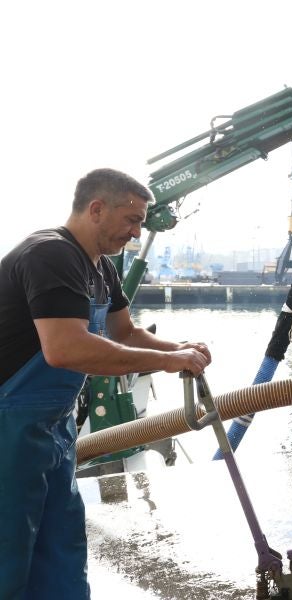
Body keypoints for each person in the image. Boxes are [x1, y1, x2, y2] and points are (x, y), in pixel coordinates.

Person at [0, 168, 212, 600]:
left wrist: (181, 349)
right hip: (9, 426)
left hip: (51, 428)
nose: (136, 232)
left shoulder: (101, 267)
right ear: (96, 209)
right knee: (8, 550)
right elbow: (65, 349)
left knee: (61, 546)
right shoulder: (50, 254)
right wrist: (169, 361)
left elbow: (125, 333)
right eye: (132, 219)